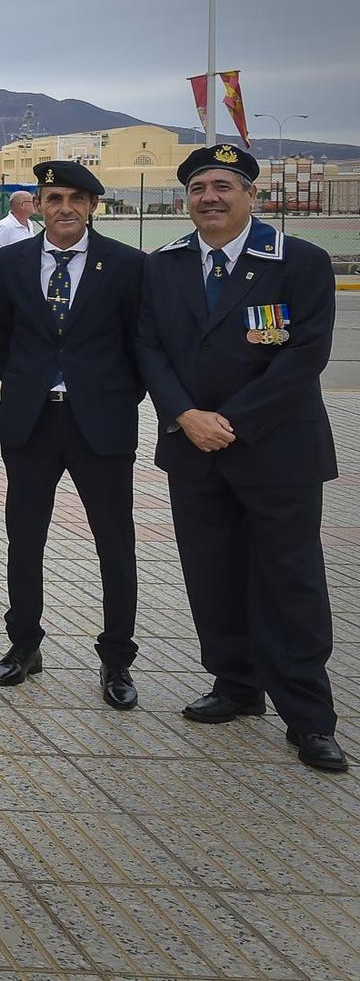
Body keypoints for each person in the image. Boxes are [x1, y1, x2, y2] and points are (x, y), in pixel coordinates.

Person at [135, 145, 345, 773]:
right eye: (198, 188)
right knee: (212, 572)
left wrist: (233, 422)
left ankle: (309, 716)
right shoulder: (163, 266)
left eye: (224, 186)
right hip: (192, 446)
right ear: (186, 200)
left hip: (278, 451)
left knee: (290, 580)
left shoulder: (299, 261)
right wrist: (184, 415)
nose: (210, 198)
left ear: (252, 195)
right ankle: (236, 685)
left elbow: (306, 352)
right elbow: (148, 346)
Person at [0, 161, 144, 707]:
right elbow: (5, 341)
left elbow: (139, 345)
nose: (65, 208)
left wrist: (110, 397)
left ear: (94, 206)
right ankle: (23, 645)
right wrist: (34, 387)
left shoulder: (126, 265)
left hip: (100, 423)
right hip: (32, 421)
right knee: (24, 539)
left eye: (77, 198)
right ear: (39, 203)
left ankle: (117, 660)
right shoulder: (9, 263)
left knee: (114, 545)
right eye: (54, 198)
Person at [0, 188, 39, 252]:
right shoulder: (5, 226)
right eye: (32, 201)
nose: (35, 204)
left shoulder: (29, 223)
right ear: (22, 205)